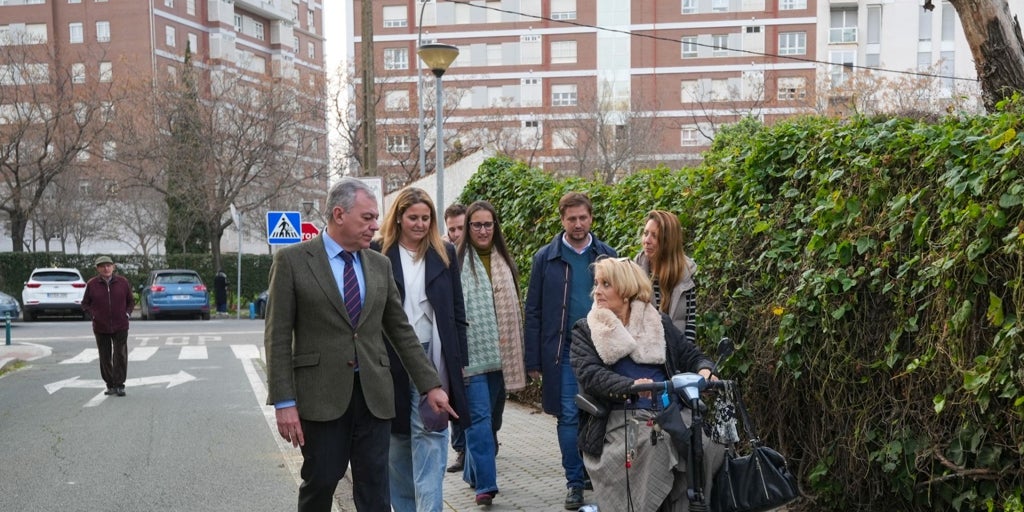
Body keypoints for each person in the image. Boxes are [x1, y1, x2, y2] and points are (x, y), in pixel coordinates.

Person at [264, 178, 457, 512]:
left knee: (375, 490)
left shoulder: (378, 264)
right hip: (321, 397)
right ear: (339, 215)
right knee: (321, 481)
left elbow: (401, 331)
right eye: (367, 217)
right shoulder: (293, 261)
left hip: (374, 397)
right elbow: (278, 337)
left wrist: (431, 386)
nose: (376, 225)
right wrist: (284, 401)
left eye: (375, 218)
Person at [570, 257, 725, 511]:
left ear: (627, 290)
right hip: (620, 417)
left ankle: (692, 506)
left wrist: (705, 370)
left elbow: (692, 355)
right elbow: (590, 374)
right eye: (596, 283)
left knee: (709, 443)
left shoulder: (658, 323)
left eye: (606, 284)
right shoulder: (586, 330)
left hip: (668, 410)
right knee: (657, 444)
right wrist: (629, 385)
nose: (597, 290)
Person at [373, 187, 470, 512]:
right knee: (397, 446)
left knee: (431, 438)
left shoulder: (444, 252)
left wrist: (460, 364)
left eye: (425, 218)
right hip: (390, 359)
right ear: (398, 217)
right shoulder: (378, 252)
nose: (419, 223)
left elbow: (457, 311)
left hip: (435, 357)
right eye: (413, 217)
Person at [524, 192, 617, 509]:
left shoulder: (607, 256)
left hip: (601, 350)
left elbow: (622, 304)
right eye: (571, 219)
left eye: (583, 218)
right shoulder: (545, 258)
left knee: (598, 414)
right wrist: (533, 358)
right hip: (561, 352)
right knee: (567, 416)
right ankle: (574, 483)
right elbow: (533, 310)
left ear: (591, 217)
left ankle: (596, 473)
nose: (578, 224)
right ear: (562, 220)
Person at [457, 200, 527, 506]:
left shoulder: (505, 262)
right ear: (468, 228)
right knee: (479, 420)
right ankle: (486, 485)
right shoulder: (455, 261)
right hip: (471, 357)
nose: (483, 230)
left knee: (493, 421)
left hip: (503, 356)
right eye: (477, 225)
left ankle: (472, 471)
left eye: (488, 224)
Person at [634, 210, 698, 344]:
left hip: (675, 354)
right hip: (643, 353)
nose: (647, 241)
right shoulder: (635, 271)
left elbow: (690, 325)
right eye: (645, 234)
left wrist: (685, 359)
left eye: (654, 236)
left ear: (668, 241)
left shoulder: (686, 274)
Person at [80, 256, 134, 397]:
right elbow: (85, 304)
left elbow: (131, 301)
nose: (106, 268)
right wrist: (93, 315)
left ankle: (120, 385)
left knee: (120, 355)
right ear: (97, 268)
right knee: (105, 357)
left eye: (108, 265)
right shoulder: (92, 284)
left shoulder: (122, 282)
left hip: (121, 325)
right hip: (101, 326)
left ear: (113, 267)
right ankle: (110, 385)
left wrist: (127, 314)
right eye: (102, 266)